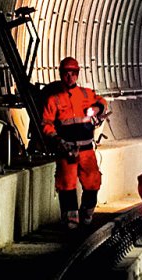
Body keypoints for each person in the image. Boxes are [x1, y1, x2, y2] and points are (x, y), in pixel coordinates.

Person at [40, 56, 110, 229]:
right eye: (66, 73)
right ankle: (71, 223)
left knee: (93, 183)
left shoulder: (86, 94)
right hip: (66, 151)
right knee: (67, 186)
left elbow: (102, 102)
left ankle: (87, 212)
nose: (69, 77)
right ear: (61, 74)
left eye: (73, 73)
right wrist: (56, 139)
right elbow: (46, 124)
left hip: (86, 150)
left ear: (77, 74)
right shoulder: (54, 99)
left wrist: (97, 109)